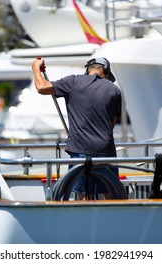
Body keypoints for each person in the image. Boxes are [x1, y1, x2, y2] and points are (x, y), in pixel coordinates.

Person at [32, 57, 122, 199]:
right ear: (105, 71)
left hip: (80, 149)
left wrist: (35, 68)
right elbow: (112, 123)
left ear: (88, 70)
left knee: (81, 196)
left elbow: (42, 87)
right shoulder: (114, 90)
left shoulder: (73, 82)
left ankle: (82, 219)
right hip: (106, 150)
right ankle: (113, 220)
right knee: (112, 194)